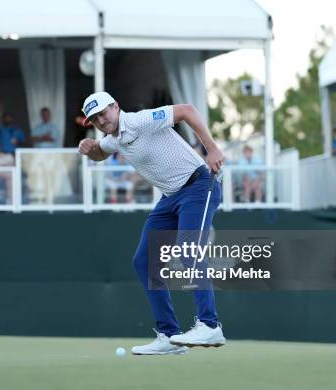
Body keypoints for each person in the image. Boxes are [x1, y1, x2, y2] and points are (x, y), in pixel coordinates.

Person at [77, 91, 226, 355]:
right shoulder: (114, 139)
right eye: (95, 119)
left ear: (116, 106)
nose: (101, 120)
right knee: (144, 261)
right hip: (170, 198)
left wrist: (211, 148)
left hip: (199, 185)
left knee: (189, 250)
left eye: (103, 113)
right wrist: (89, 150)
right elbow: (101, 151)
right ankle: (169, 337)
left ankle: (209, 324)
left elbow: (187, 110)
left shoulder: (140, 120)